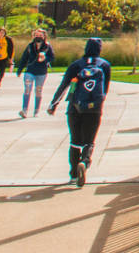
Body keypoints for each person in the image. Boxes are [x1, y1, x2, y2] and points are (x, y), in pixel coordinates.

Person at [47, 37, 111, 187]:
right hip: (94, 109)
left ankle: (74, 174)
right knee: (89, 140)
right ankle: (84, 161)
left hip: (75, 108)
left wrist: (53, 104)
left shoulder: (76, 65)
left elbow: (64, 85)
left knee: (75, 141)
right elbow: (105, 89)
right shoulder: (104, 65)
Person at [15, 29, 55, 117]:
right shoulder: (30, 46)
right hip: (30, 70)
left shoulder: (47, 46)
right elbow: (24, 58)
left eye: (40, 36)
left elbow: (52, 57)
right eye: (36, 35)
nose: (38, 37)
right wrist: (19, 69)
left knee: (38, 91)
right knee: (27, 89)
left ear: (44, 36)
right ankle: (24, 110)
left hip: (41, 72)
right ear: (33, 36)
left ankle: (36, 111)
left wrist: (45, 59)